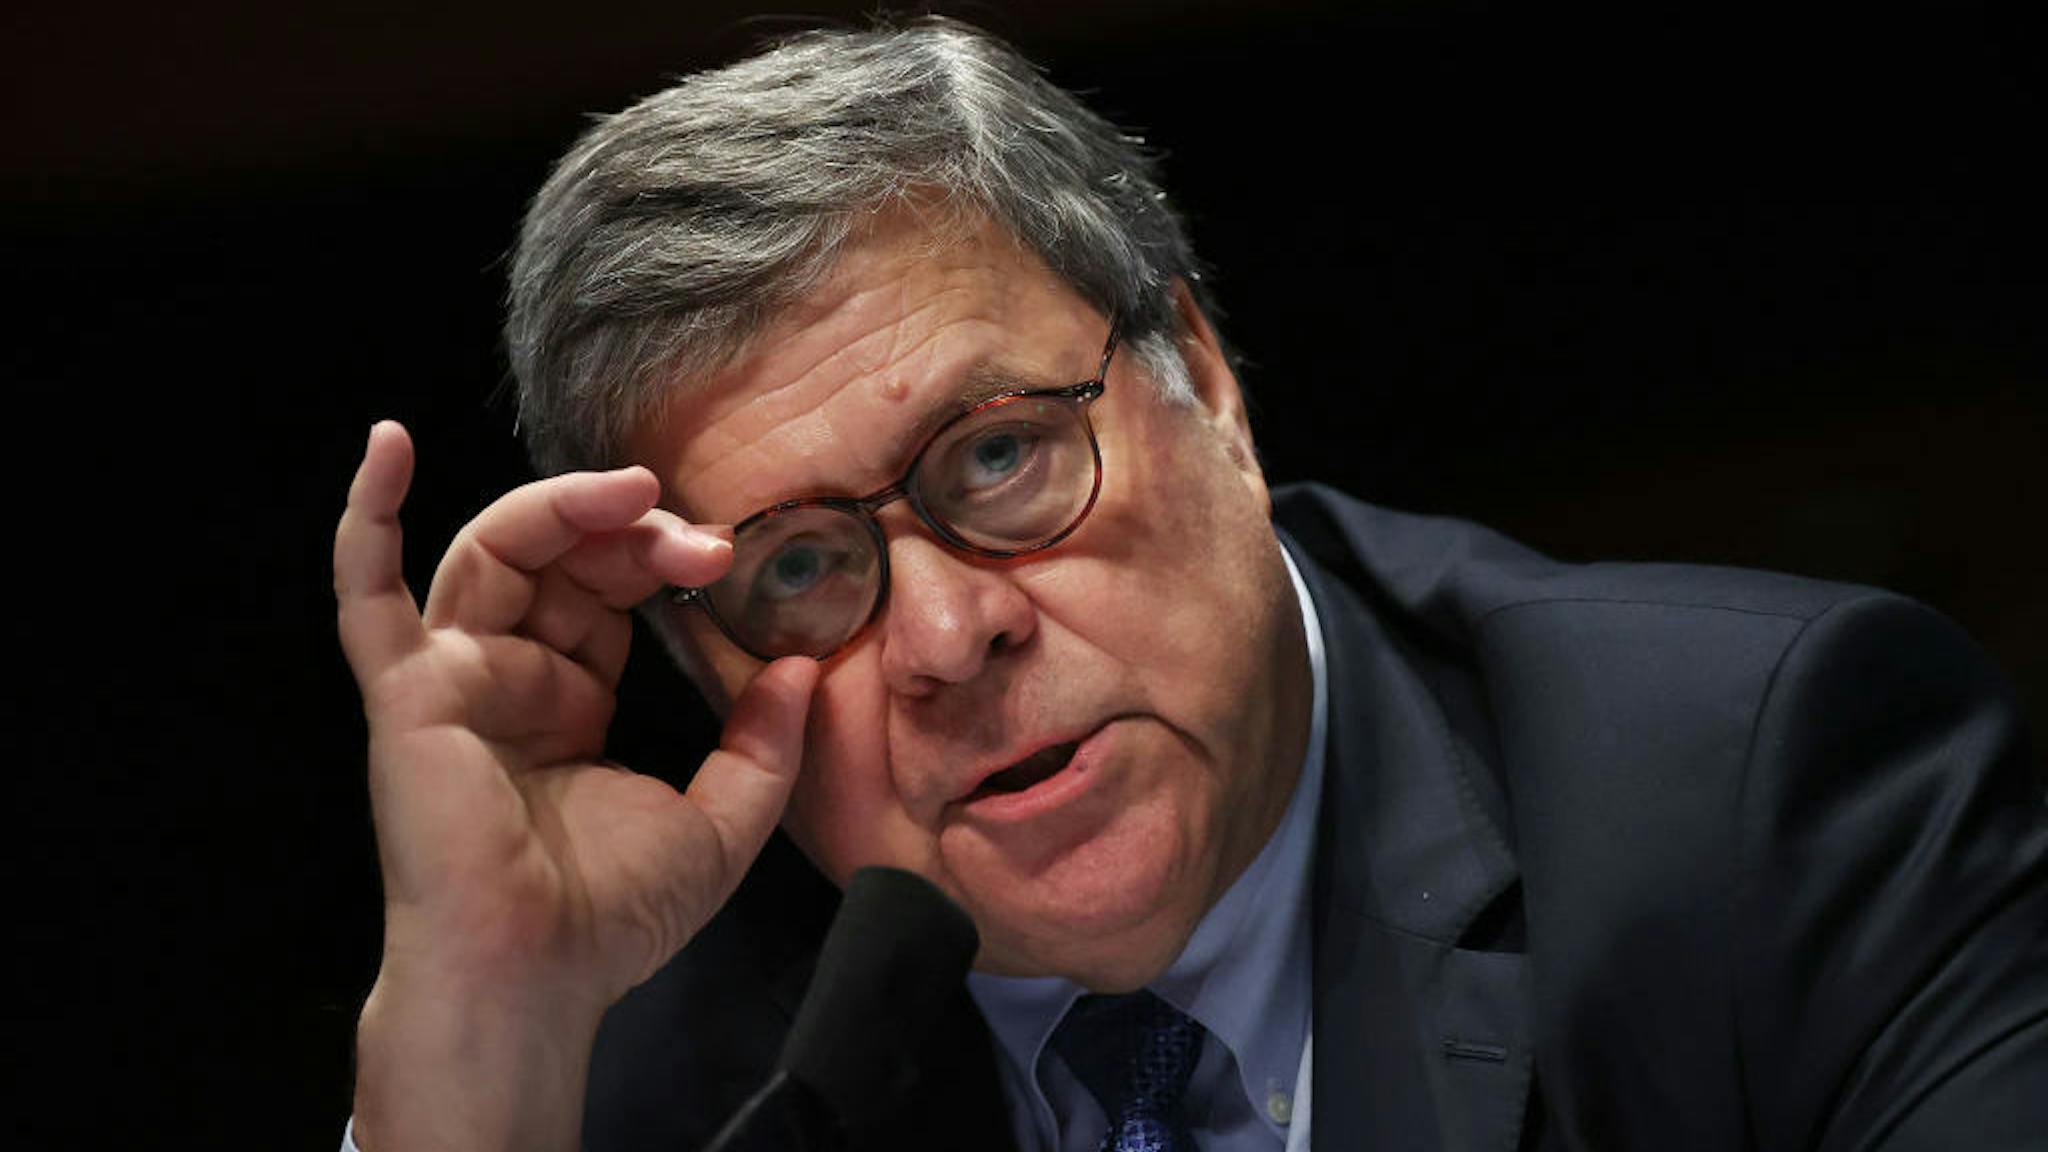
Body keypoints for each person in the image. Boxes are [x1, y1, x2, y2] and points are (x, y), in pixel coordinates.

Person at [331, 18, 2048, 1152]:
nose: (944, 634)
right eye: (798, 567)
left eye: (1000, 456)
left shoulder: (1759, 800)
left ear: (1205, 384)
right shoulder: (634, 1062)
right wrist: (478, 1024)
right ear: (708, 679)